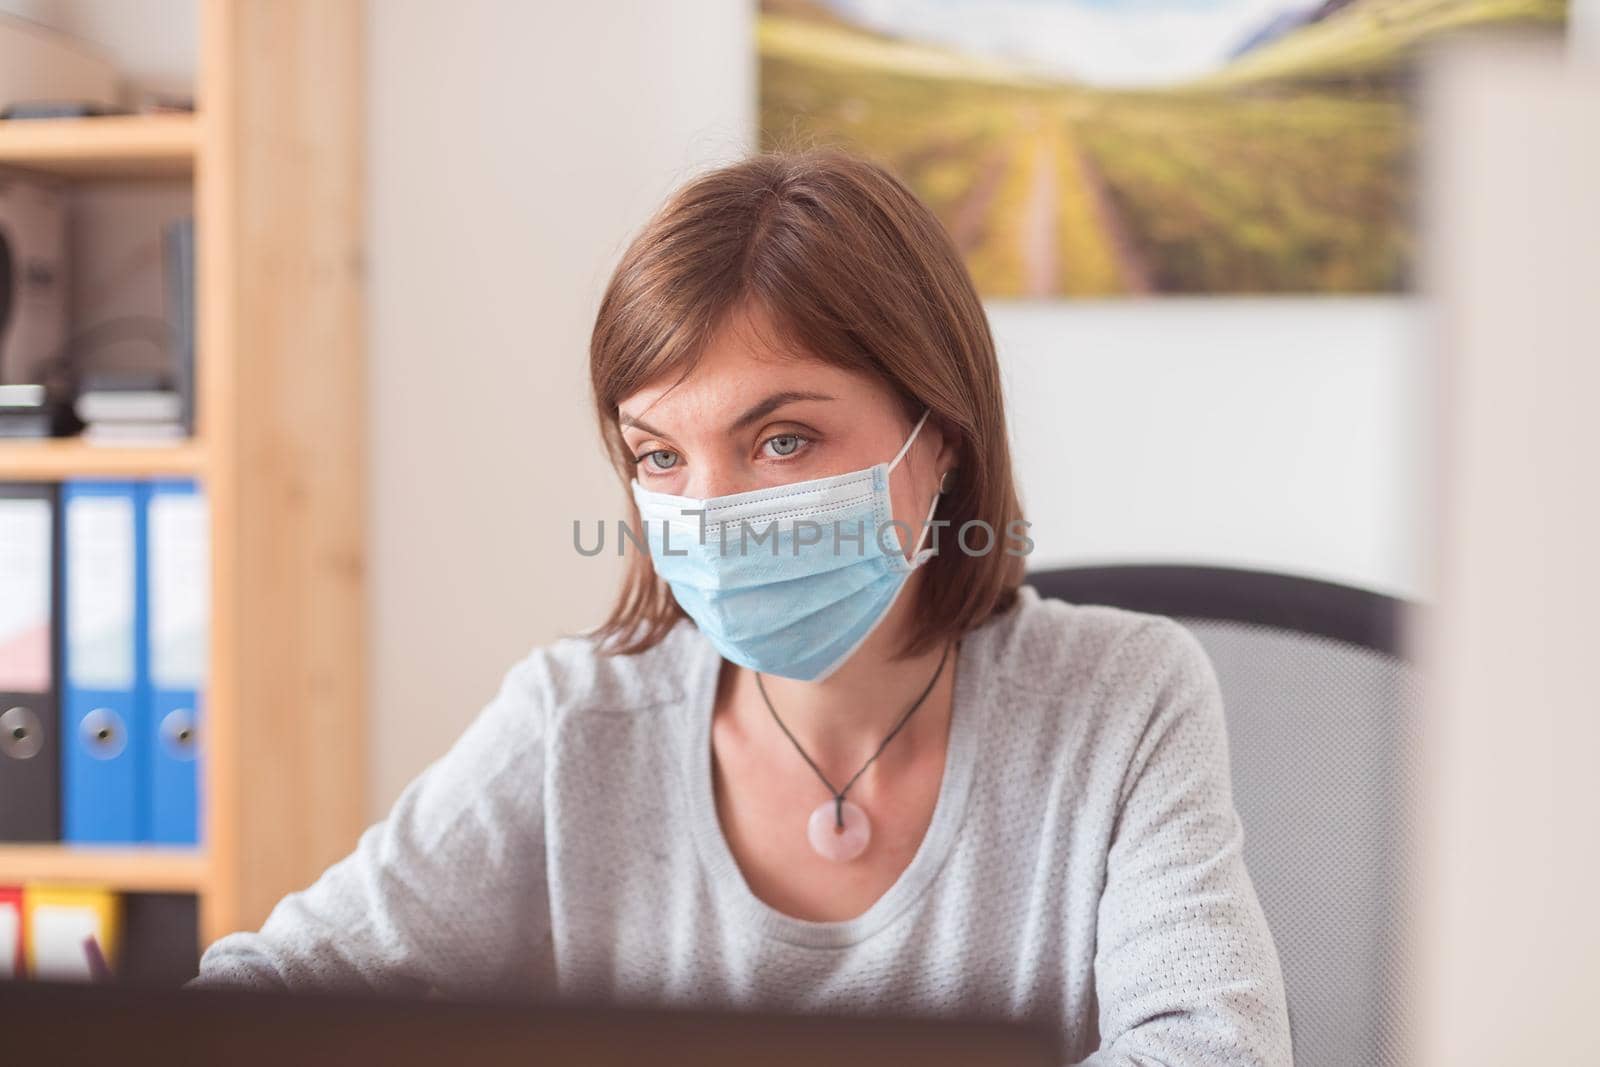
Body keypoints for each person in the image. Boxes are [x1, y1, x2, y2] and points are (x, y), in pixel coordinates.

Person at [189, 147, 1292, 1065]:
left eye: (781, 439)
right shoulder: (574, 721)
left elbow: (1213, 1048)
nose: (709, 511)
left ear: (938, 438)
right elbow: (271, 992)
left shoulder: (1123, 695)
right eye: (659, 454)